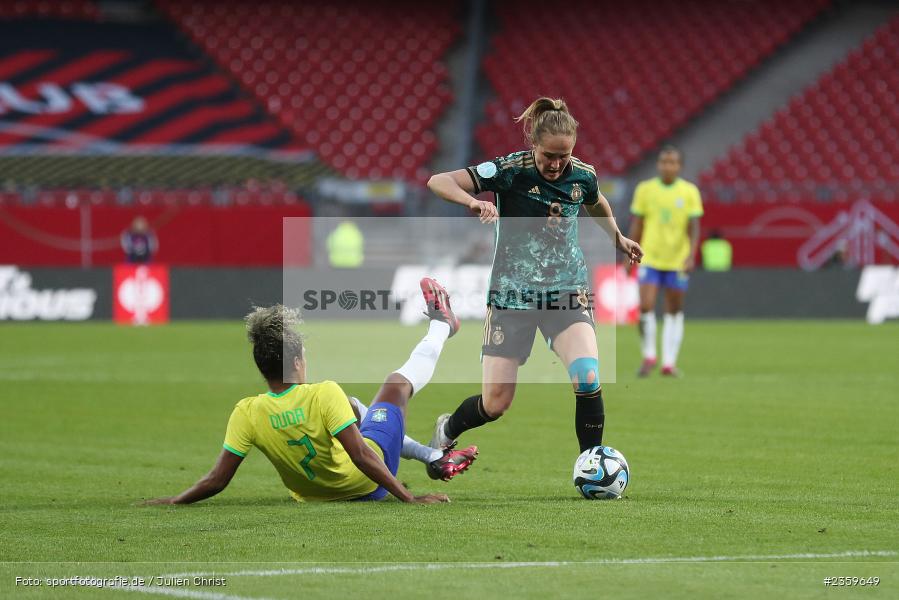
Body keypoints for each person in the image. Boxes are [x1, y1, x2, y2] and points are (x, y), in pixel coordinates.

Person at [425, 97, 643, 454]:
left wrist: (617, 237)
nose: (557, 164)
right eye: (549, 156)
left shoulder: (583, 175)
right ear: (534, 145)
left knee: (587, 375)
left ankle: (591, 463)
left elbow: (596, 201)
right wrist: (474, 202)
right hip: (512, 295)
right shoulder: (510, 169)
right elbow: (439, 181)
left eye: (564, 156)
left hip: (566, 289)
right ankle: (448, 428)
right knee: (495, 403)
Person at [142, 278, 477, 505]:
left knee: (353, 409)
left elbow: (216, 480)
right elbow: (362, 456)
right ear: (298, 361)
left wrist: (175, 501)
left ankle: (431, 454)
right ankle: (442, 324)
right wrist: (408, 497)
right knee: (396, 385)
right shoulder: (323, 393)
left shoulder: (247, 412)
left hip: (316, 496)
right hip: (368, 487)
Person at [628, 146, 703, 377]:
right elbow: (638, 223)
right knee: (645, 306)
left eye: (672, 162)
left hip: (677, 260)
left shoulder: (689, 192)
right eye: (663, 162)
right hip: (649, 257)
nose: (667, 166)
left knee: (674, 310)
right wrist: (627, 251)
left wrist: (691, 255)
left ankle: (669, 363)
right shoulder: (645, 189)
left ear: (679, 166)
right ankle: (649, 355)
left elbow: (694, 227)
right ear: (658, 164)